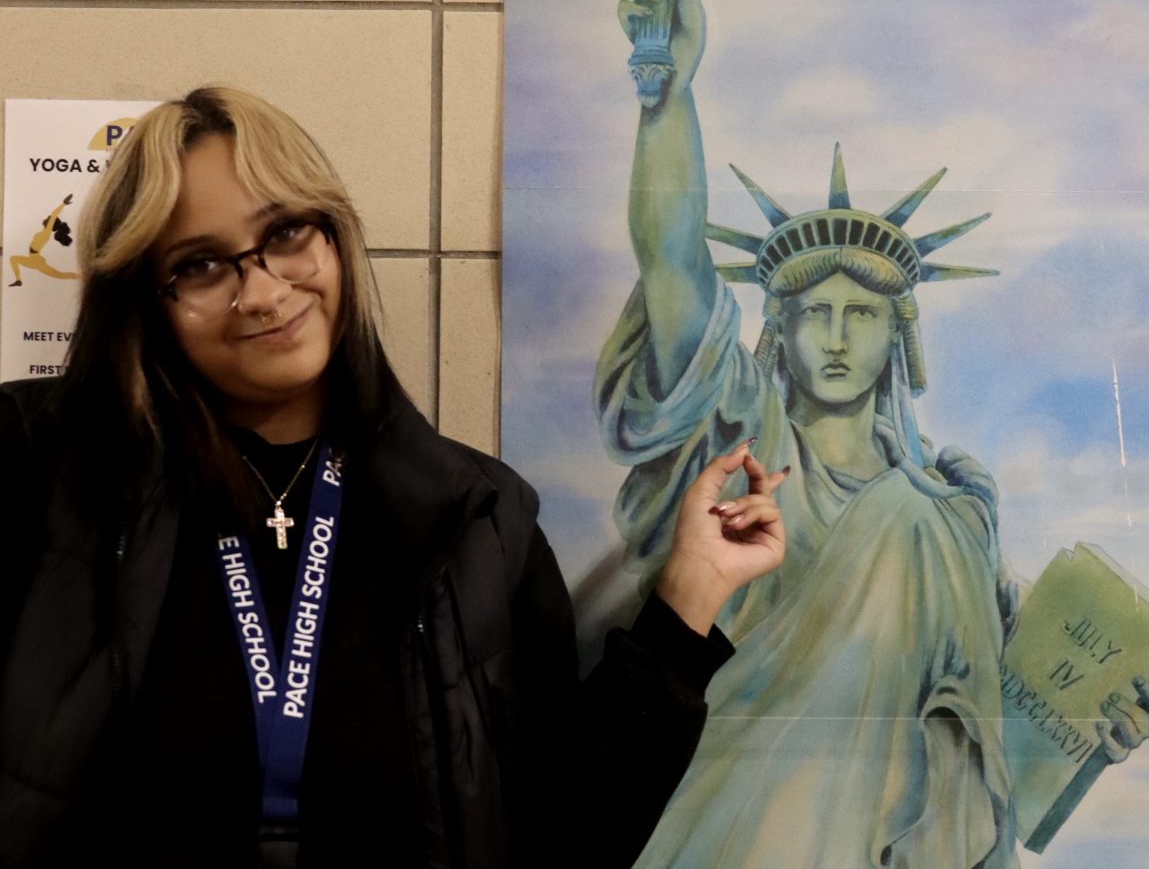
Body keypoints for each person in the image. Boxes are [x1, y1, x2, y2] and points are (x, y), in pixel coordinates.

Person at [0, 86, 786, 869]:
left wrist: (687, 599)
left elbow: (562, 836)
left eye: (284, 232)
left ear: (334, 238)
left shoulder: (480, 520)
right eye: (199, 265)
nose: (266, 293)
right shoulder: (44, 477)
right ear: (146, 301)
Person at [594, 0, 1149, 867]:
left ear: (897, 337)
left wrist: (1091, 728)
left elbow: (987, 748)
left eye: (861, 314)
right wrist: (670, 95)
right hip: (728, 828)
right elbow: (674, 268)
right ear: (776, 331)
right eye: (813, 311)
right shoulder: (747, 440)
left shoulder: (952, 517)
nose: (834, 334)